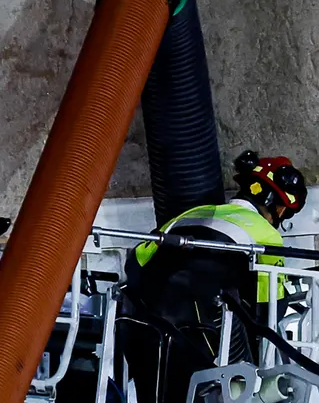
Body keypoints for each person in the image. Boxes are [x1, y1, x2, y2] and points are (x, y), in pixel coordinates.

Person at [118, 150, 308, 403]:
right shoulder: (266, 235)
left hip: (135, 320)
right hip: (193, 327)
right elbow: (270, 306)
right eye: (284, 211)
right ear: (277, 205)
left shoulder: (190, 214)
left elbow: (136, 264)